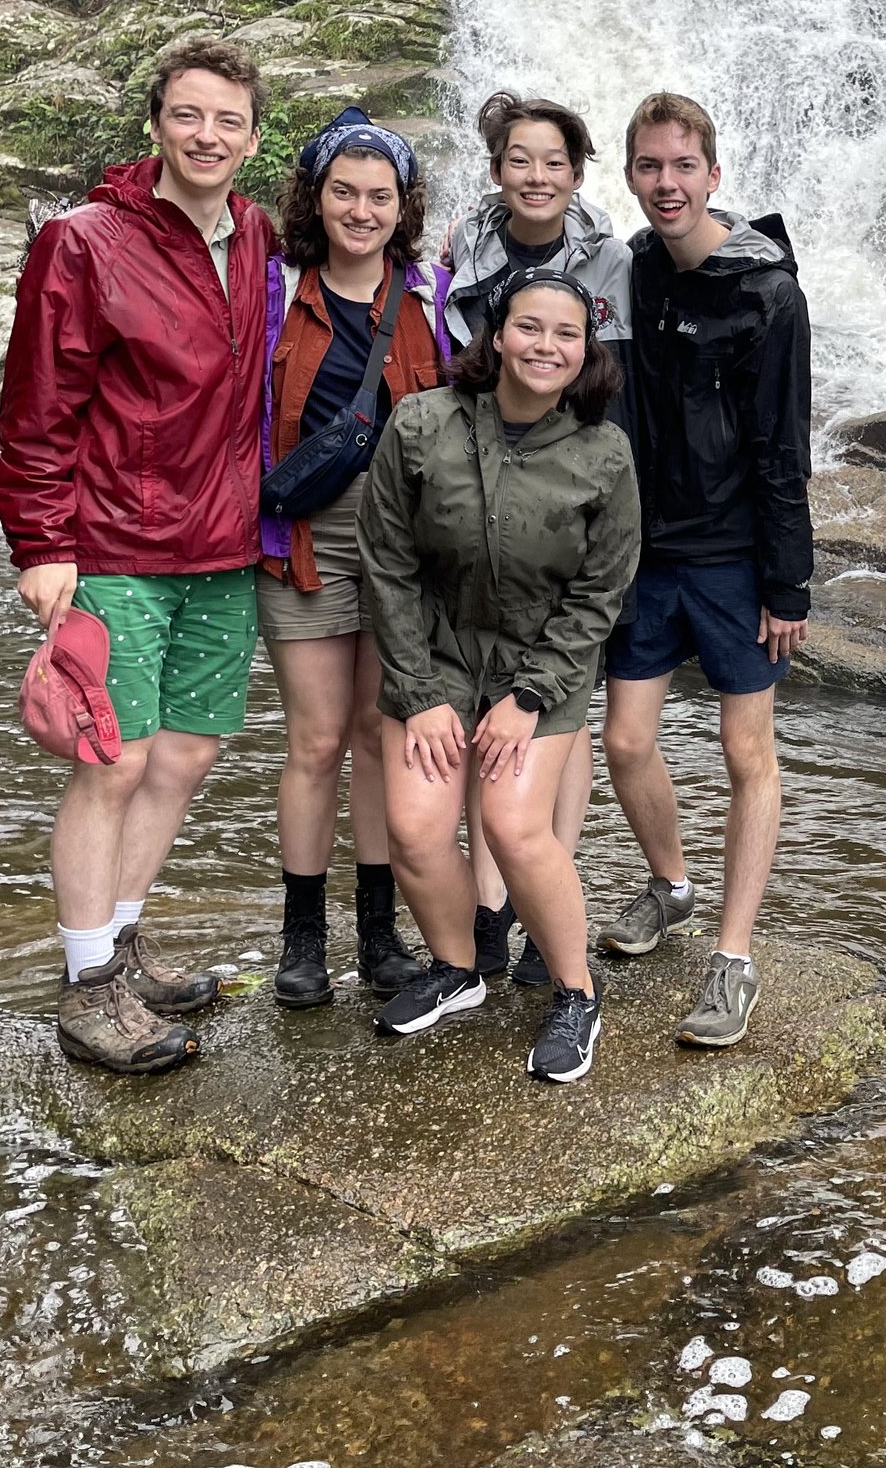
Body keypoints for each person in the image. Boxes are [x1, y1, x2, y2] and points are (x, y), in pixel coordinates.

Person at [0, 36, 275, 1075]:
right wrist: (40, 540)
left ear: (252, 137)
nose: (208, 135)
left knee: (185, 754)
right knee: (111, 761)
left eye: (229, 121)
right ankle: (85, 988)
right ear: (156, 121)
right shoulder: (84, 241)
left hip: (224, 542)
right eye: (189, 114)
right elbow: (36, 405)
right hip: (113, 538)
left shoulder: (253, 235)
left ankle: (120, 948)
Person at [360, 269, 640, 1080]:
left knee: (516, 827)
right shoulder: (420, 423)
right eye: (530, 327)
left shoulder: (604, 451)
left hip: (539, 665)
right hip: (435, 654)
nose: (545, 346)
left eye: (566, 334)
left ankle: (576, 992)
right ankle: (458, 968)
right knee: (414, 827)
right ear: (495, 333)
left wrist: (528, 698)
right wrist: (417, 694)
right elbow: (387, 565)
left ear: (586, 350)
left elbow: (600, 591)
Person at [596, 92, 813, 1051]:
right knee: (626, 741)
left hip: (734, 559)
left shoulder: (768, 291)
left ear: (714, 174)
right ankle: (672, 885)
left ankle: (733, 957)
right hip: (648, 549)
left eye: (683, 166)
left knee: (744, 754)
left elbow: (784, 442)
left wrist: (789, 581)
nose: (666, 184)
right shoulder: (634, 268)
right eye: (649, 167)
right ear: (632, 175)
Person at [439, 92, 634, 990]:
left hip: (578, 500)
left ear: (578, 172)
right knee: (492, 712)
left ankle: (543, 886)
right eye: (521, 158)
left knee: (564, 717)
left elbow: (621, 390)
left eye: (555, 160)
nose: (538, 176)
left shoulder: (610, 259)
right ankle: (490, 906)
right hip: (484, 501)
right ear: (496, 168)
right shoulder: (464, 248)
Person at [256, 107, 447, 1010]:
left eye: (380, 196)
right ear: (317, 196)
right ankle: (303, 940)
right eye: (345, 192)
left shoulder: (435, 300)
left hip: (406, 544)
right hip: (302, 536)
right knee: (316, 739)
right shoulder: (268, 293)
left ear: (401, 206)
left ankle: (379, 934)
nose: (362, 210)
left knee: (379, 738)